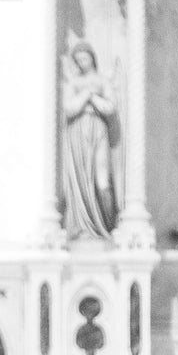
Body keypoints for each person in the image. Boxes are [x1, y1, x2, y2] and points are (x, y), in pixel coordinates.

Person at [61, 43, 121, 241]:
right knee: (79, 179)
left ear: (92, 58)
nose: (81, 63)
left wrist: (91, 97)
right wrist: (86, 95)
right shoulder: (74, 83)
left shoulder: (102, 81)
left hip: (98, 130)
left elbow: (110, 108)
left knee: (102, 180)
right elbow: (69, 109)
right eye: (78, 60)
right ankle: (82, 226)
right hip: (78, 132)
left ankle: (107, 225)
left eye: (84, 58)